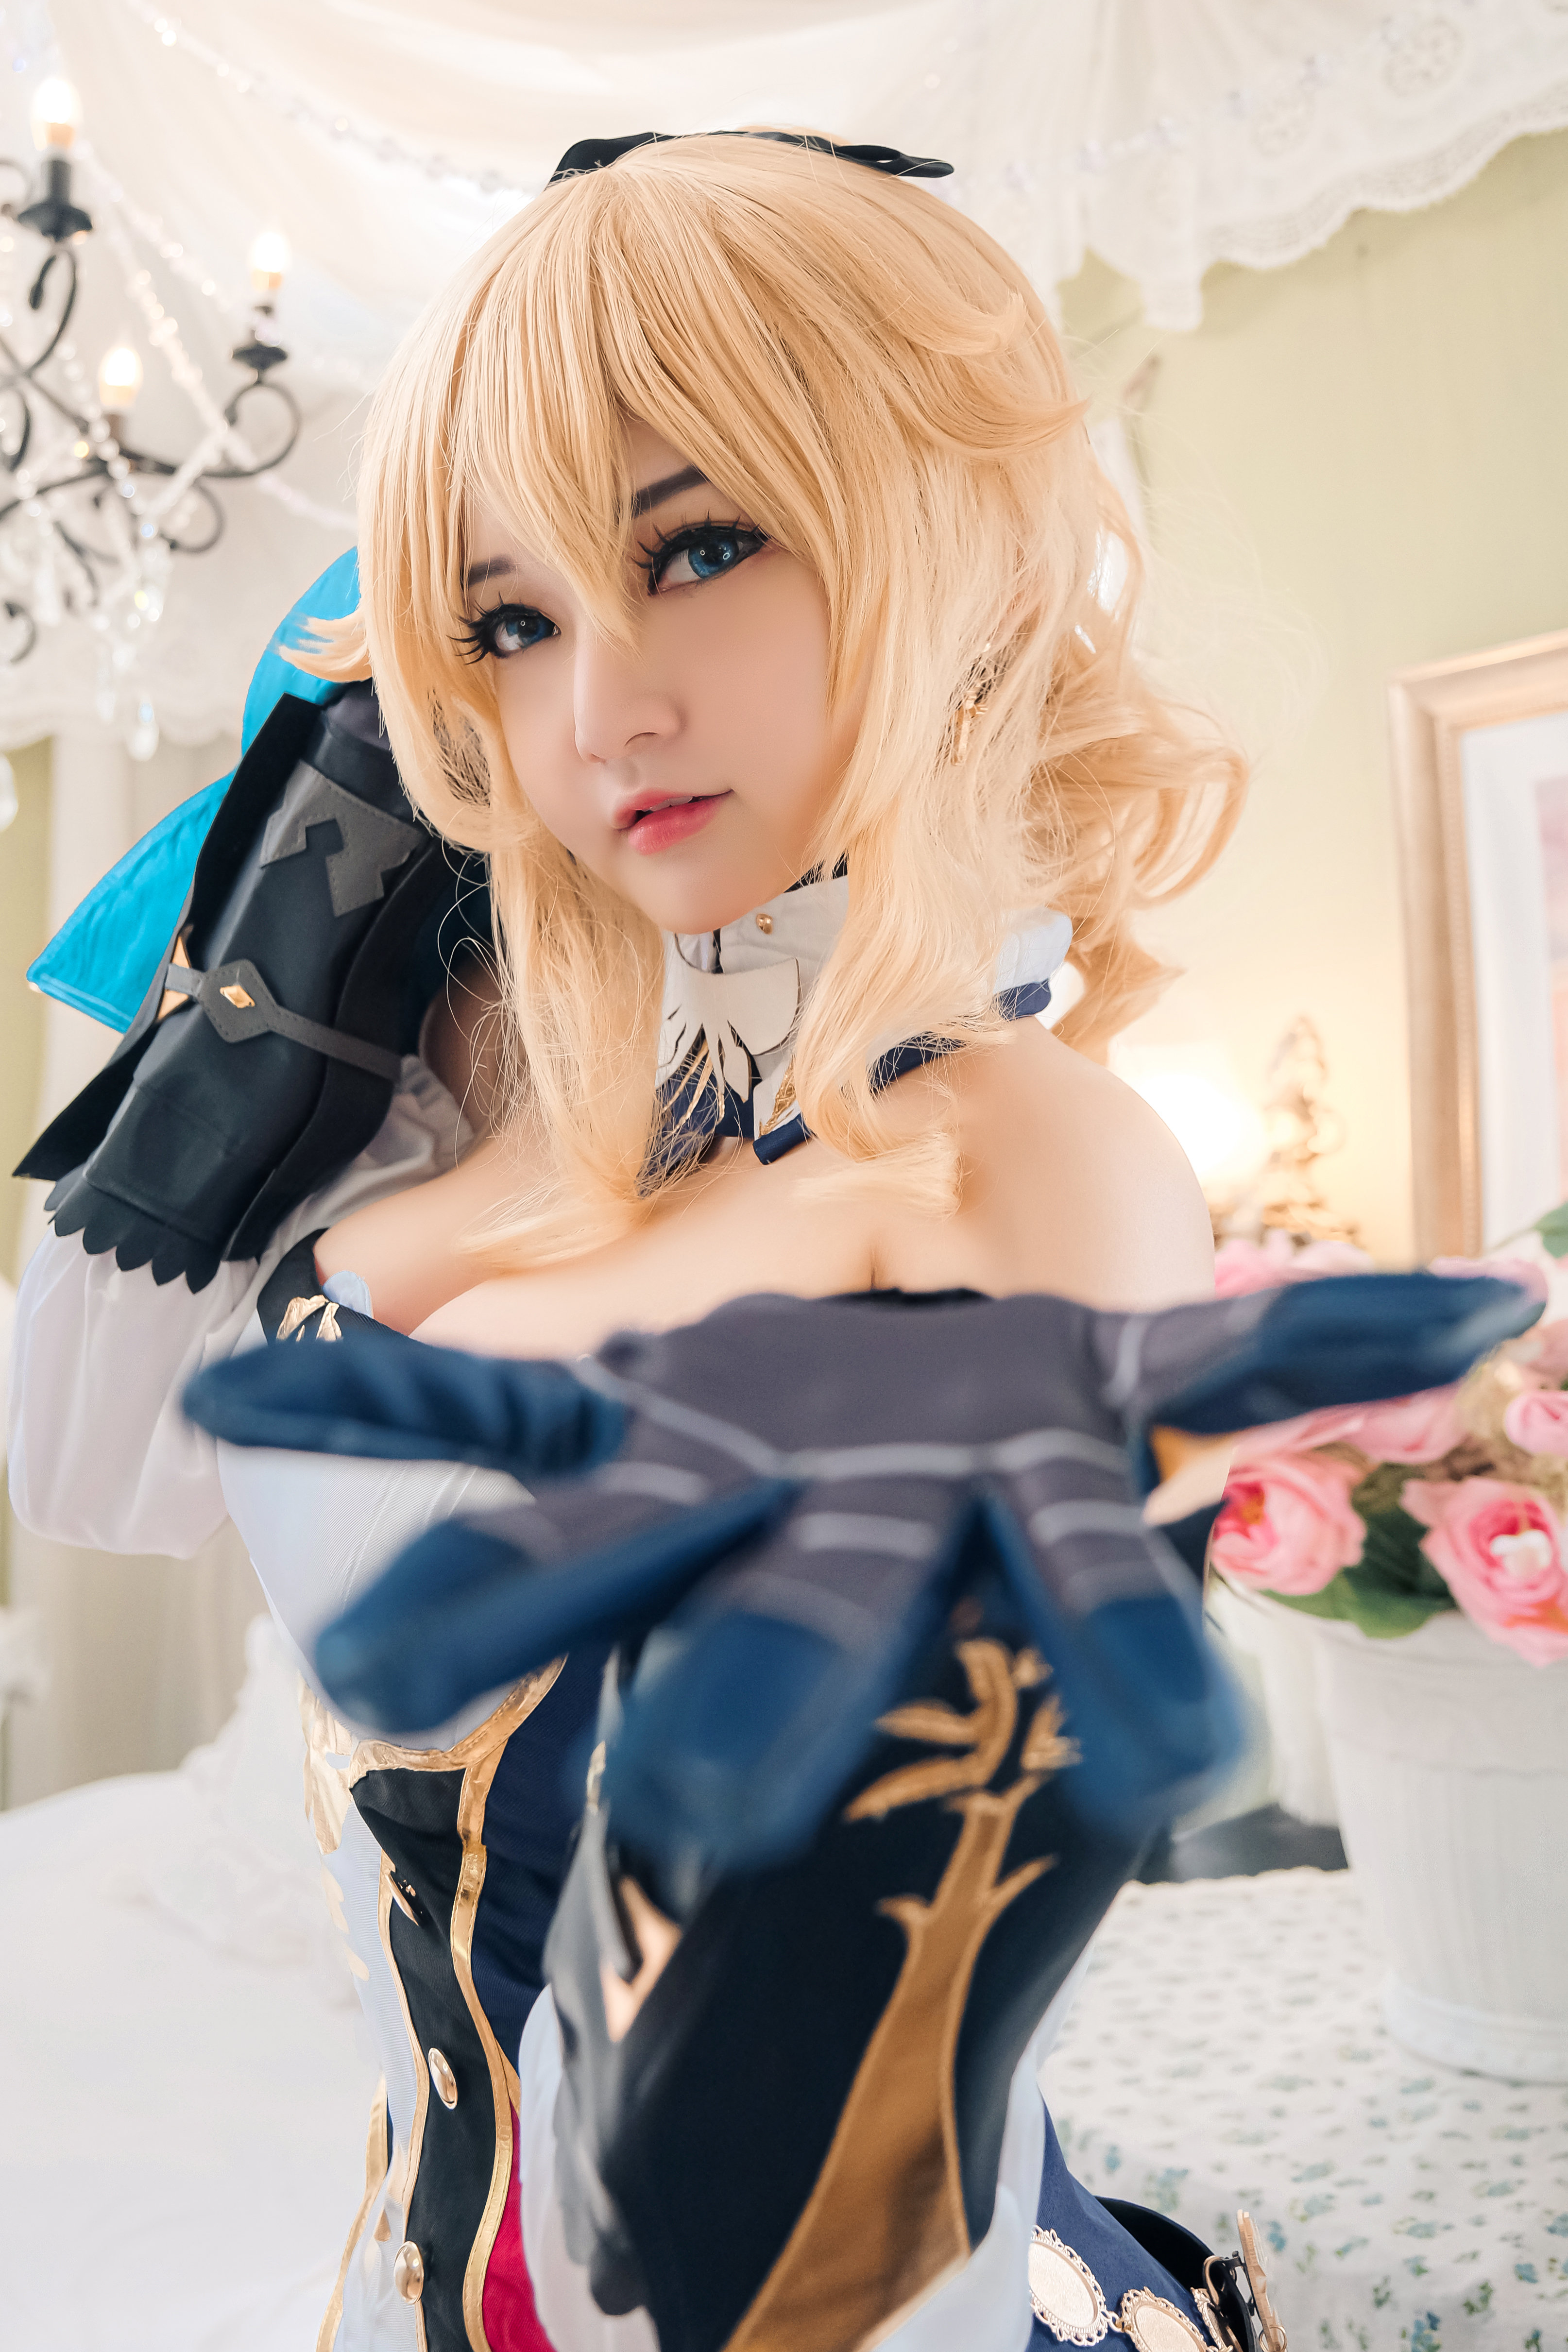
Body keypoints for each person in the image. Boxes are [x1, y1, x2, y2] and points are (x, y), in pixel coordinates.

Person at [9, 130, 1248, 2352]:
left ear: (947, 544)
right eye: (509, 620)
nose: (599, 710)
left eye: (699, 547)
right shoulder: (503, 1134)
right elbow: (82, 1467)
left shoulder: (1033, 1174)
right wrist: (266, 985)